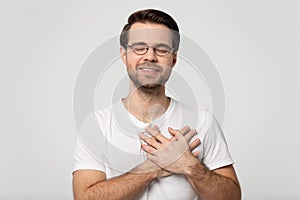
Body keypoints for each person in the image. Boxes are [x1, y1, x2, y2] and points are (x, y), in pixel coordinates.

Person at [72, 9, 241, 200]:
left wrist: (189, 165)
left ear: (174, 59)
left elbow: (232, 197)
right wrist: (152, 168)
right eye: (139, 47)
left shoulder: (203, 121)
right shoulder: (96, 124)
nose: (150, 56)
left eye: (161, 49)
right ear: (124, 55)